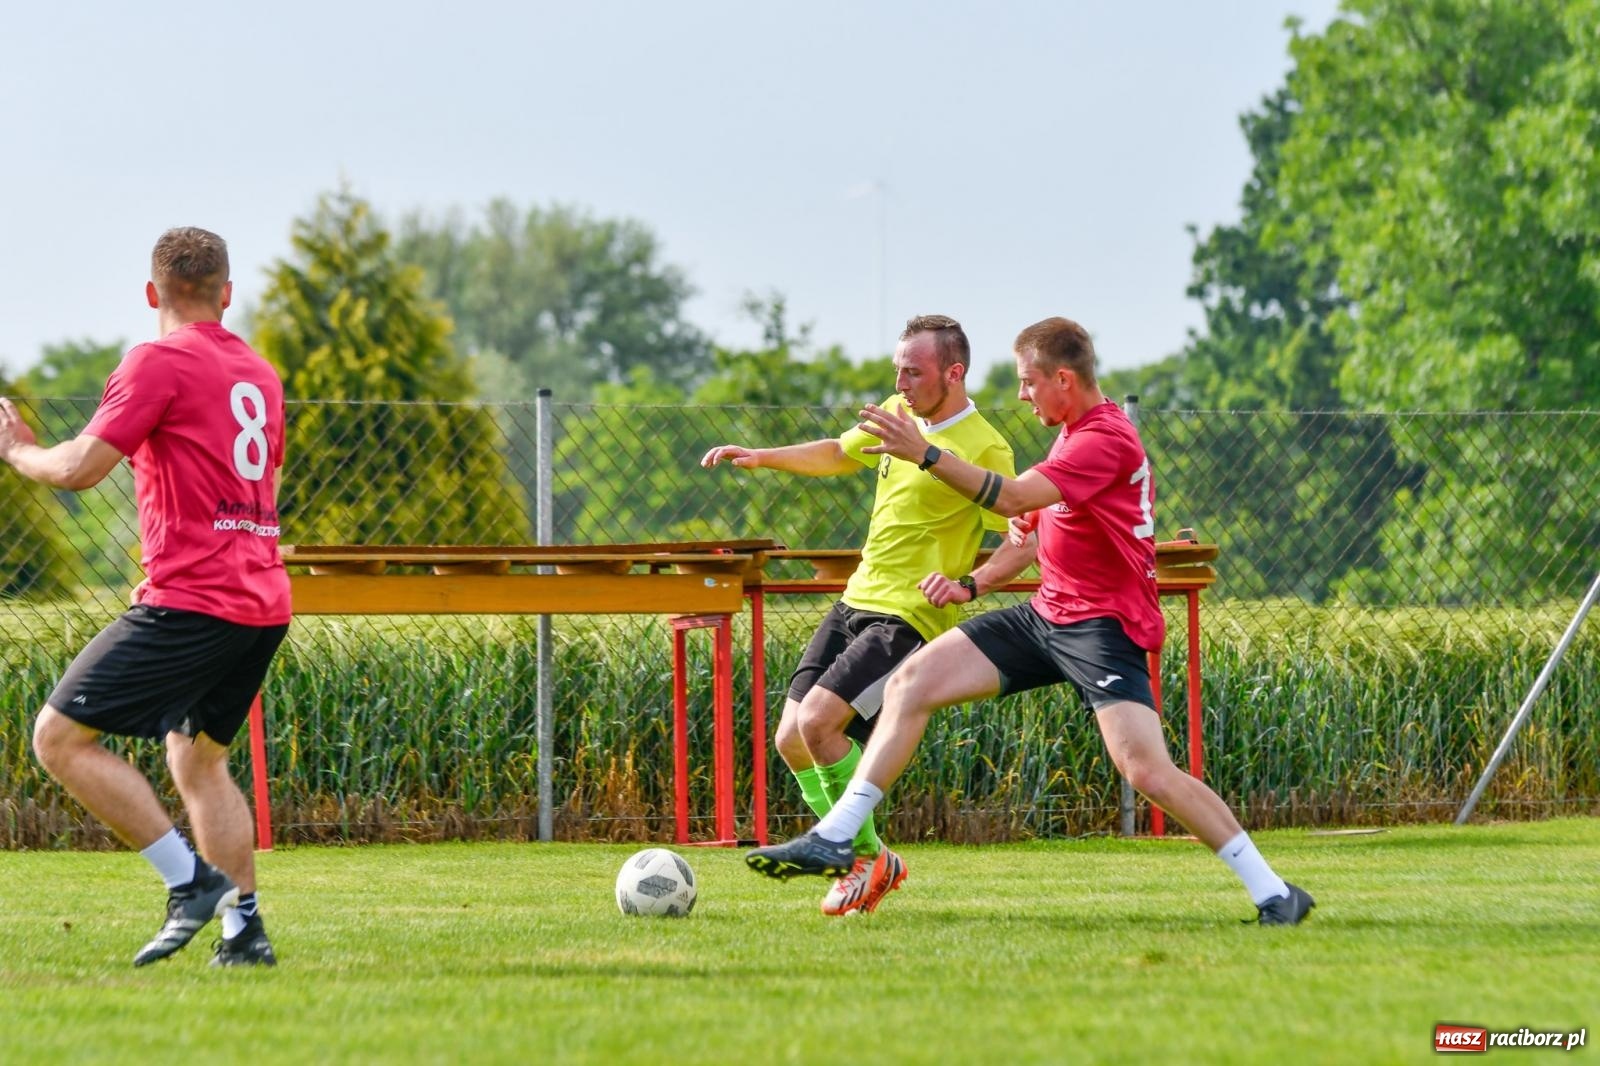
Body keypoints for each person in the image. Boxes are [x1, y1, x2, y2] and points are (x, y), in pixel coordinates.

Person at [744, 316, 1315, 925]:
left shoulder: (1105, 438)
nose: (1021, 394)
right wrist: (977, 580)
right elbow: (1033, 522)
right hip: (1045, 615)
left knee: (1146, 770)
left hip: (1100, 626)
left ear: (1063, 379)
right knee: (912, 684)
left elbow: (1013, 497)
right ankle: (842, 837)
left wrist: (928, 455)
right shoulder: (1071, 435)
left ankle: (1274, 892)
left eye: (1028, 381)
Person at [0, 227, 292, 965]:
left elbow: (79, 468)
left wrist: (17, 450)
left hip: (197, 599)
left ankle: (189, 882)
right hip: (260, 600)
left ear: (152, 292)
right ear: (227, 294)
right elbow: (255, 487)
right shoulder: (259, 373)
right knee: (198, 760)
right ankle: (244, 932)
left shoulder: (156, 362)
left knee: (58, 739)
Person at [702, 314, 1015, 915]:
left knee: (820, 723)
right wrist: (762, 456)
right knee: (792, 740)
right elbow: (836, 454)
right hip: (855, 600)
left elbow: (1024, 534)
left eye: (914, 371)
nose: (901, 382)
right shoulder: (896, 416)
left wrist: (967, 585)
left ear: (954, 373)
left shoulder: (985, 446)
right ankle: (871, 859)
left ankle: (861, 859)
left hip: (908, 618)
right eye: (898, 369)